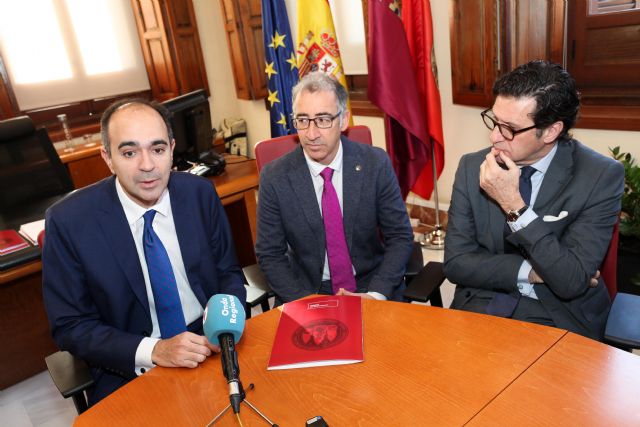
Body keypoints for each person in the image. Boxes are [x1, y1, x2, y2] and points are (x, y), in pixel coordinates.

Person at [42, 99, 246, 404]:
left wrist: (223, 328)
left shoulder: (199, 194)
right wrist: (154, 351)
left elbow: (228, 273)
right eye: (129, 152)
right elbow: (71, 327)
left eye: (158, 149)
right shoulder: (69, 222)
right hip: (130, 361)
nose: (147, 165)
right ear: (107, 158)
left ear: (172, 149)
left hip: (209, 341)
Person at [444, 60, 624, 340]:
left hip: (560, 316)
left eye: (509, 129)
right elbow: (456, 263)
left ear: (551, 131)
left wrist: (514, 206)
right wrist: (532, 272)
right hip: (483, 304)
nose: (494, 136)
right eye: (494, 121)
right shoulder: (472, 166)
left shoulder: (599, 176)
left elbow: (570, 282)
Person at [255, 72, 413, 304]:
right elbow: (270, 255)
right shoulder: (274, 177)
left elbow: (399, 236)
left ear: (343, 120)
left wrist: (376, 294)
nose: (311, 134)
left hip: (371, 284)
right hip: (308, 291)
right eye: (303, 119)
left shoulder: (375, 163)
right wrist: (306, 303)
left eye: (323, 119)